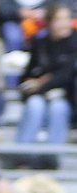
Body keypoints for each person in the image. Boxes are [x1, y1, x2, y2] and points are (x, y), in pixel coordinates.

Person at [14, 3, 77, 163]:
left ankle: (52, 159)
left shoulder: (74, 42)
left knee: (58, 108)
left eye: (67, 18)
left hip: (65, 95)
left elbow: (67, 74)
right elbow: (28, 73)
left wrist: (41, 83)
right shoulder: (40, 42)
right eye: (59, 19)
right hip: (39, 94)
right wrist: (29, 83)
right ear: (49, 22)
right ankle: (22, 157)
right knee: (35, 105)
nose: (65, 23)